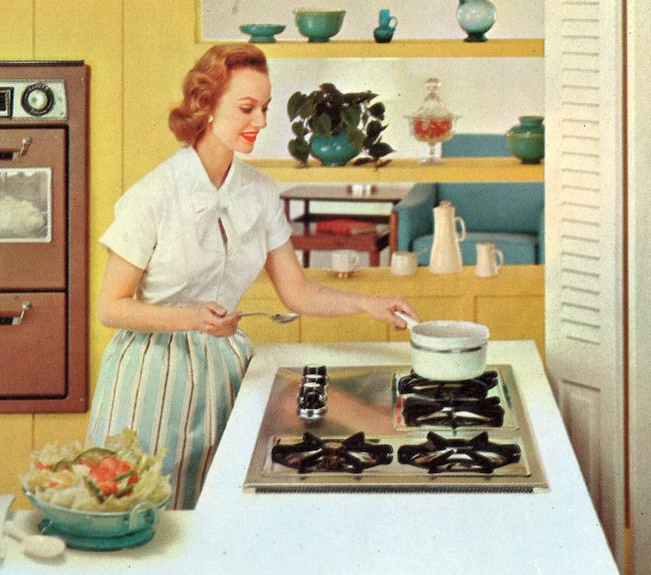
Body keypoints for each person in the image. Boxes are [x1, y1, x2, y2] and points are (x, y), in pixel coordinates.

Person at [86, 43, 420, 509]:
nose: (261, 122)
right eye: (246, 108)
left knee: (216, 511)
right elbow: (111, 307)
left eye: (263, 108)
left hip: (225, 372)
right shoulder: (153, 196)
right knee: (142, 515)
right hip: (150, 376)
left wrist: (370, 304)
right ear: (204, 106)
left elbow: (296, 291)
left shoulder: (260, 193)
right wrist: (194, 319)